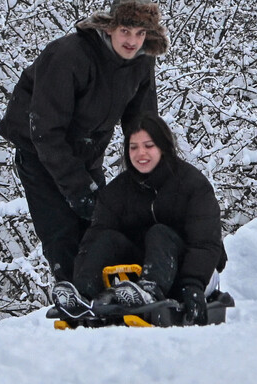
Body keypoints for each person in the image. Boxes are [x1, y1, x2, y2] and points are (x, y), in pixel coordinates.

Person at [0, 0, 167, 283]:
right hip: (40, 151)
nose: (132, 41)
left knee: (101, 227)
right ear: (109, 27)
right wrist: (79, 191)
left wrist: (155, 177)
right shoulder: (69, 55)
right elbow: (46, 131)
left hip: (88, 150)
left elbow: (142, 125)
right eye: (125, 30)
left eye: (141, 33)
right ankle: (74, 297)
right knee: (62, 231)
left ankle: (110, 298)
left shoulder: (141, 60)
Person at [63, 114, 226, 326]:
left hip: (195, 273)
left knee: (159, 233)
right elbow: (95, 238)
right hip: (142, 274)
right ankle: (83, 297)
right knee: (105, 237)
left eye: (149, 146)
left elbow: (206, 242)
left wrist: (193, 284)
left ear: (163, 147)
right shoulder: (118, 191)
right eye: (134, 147)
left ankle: (150, 291)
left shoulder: (193, 185)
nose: (141, 153)